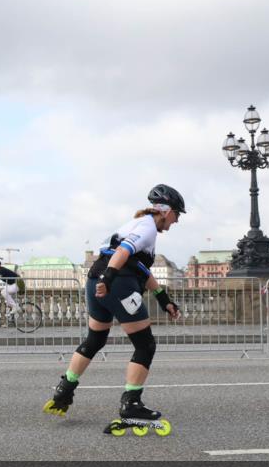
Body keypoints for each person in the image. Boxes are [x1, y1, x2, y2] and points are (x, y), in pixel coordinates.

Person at [43, 184, 185, 434]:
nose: (176, 221)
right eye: (177, 214)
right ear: (165, 210)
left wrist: (164, 299)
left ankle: (65, 389)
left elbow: (141, 268)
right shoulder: (147, 227)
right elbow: (123, 251)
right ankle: (131, 404)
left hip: (94, 279)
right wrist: (108, 280)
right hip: (116, 284)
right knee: (145, 345)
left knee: (95, 339)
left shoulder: (135, 224)